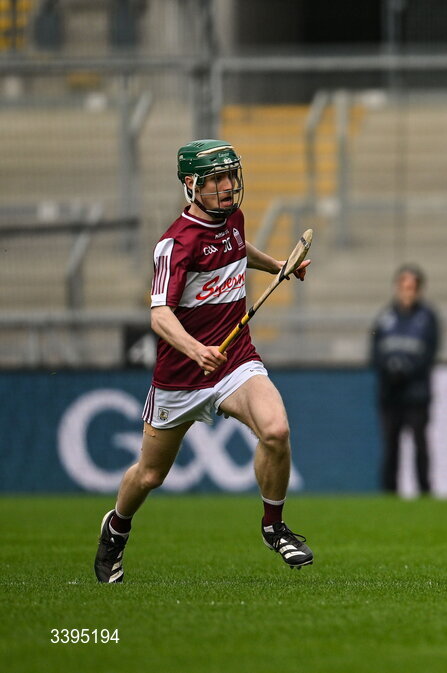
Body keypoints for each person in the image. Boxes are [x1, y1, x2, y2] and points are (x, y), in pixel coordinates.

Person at [94, 139, 314, 583]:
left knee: (276, 430)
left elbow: (235, 247)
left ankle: (274, 526)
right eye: (216, 180)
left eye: (231, 176)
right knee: (151, 475)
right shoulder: (175, 244)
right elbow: (159, 315)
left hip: (235, 362)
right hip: (180, 378)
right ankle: (116, 529)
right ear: (191, 185)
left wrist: (275, 265)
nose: (228, 187)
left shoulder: (232, 217)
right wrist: (196, 350)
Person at [370, 264, 441, 496]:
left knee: (420, 443)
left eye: (411, 287)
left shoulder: (428, 318)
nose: (407, 291)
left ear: (419, 289)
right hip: (390, 393)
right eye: (403, 286)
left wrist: (406, 371)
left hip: (416, 393)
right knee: (391, 444)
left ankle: (424, 490)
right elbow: (375, 352)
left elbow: (429, 353)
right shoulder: (385, 317)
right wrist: (390, 371)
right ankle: (389, 491)